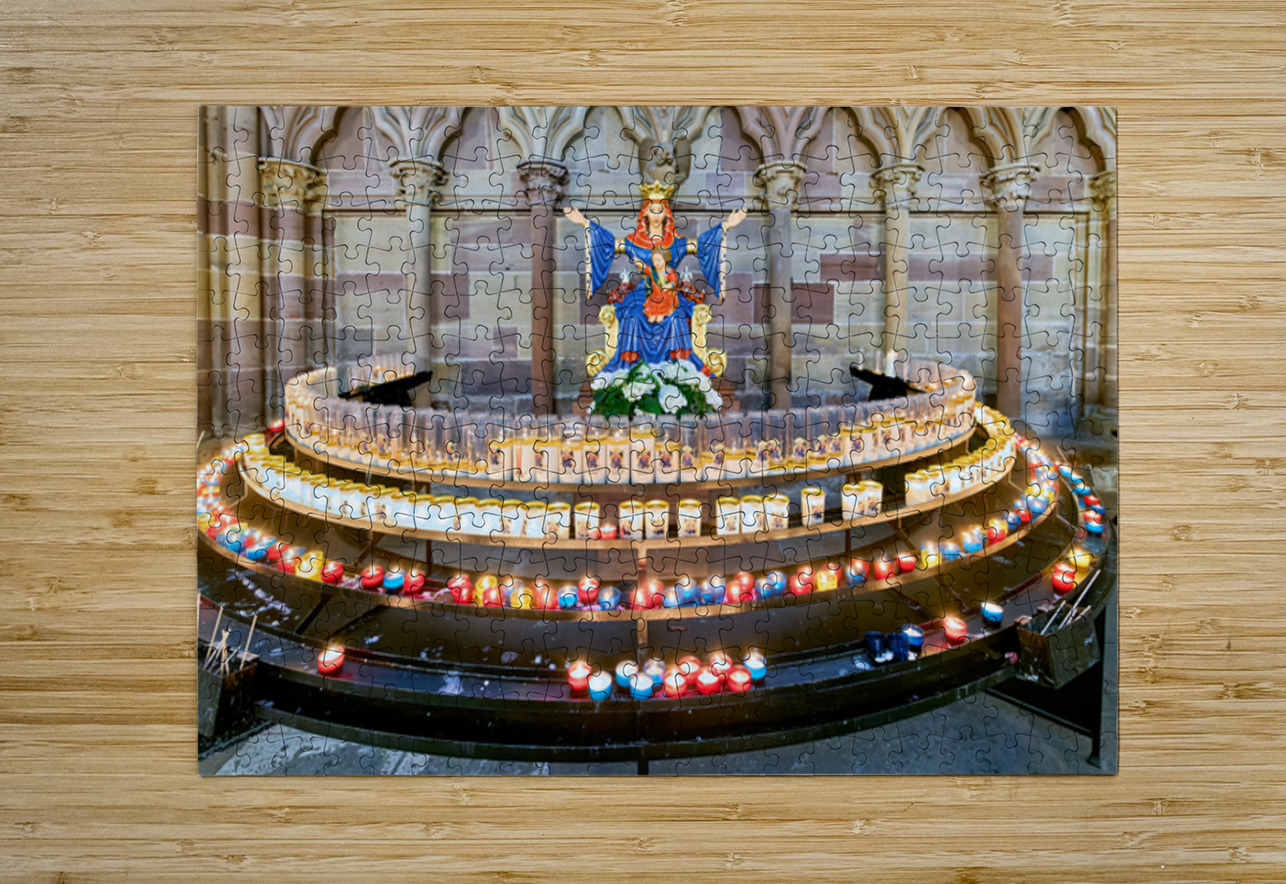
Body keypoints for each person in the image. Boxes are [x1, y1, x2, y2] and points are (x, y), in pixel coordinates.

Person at [564, 182, 745, 375]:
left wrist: (726, 226)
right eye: (652, 210)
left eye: (660, 210)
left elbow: (703, 245)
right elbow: (608, 244)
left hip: (669, 292)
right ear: (645, 213)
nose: (656, 214)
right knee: (631, 316)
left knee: (677, 317)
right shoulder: (633, 242)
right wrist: (585, 223)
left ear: (666, 213)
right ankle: (628, 371)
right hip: (642, 292)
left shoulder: (677, 243)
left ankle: (680, 371)